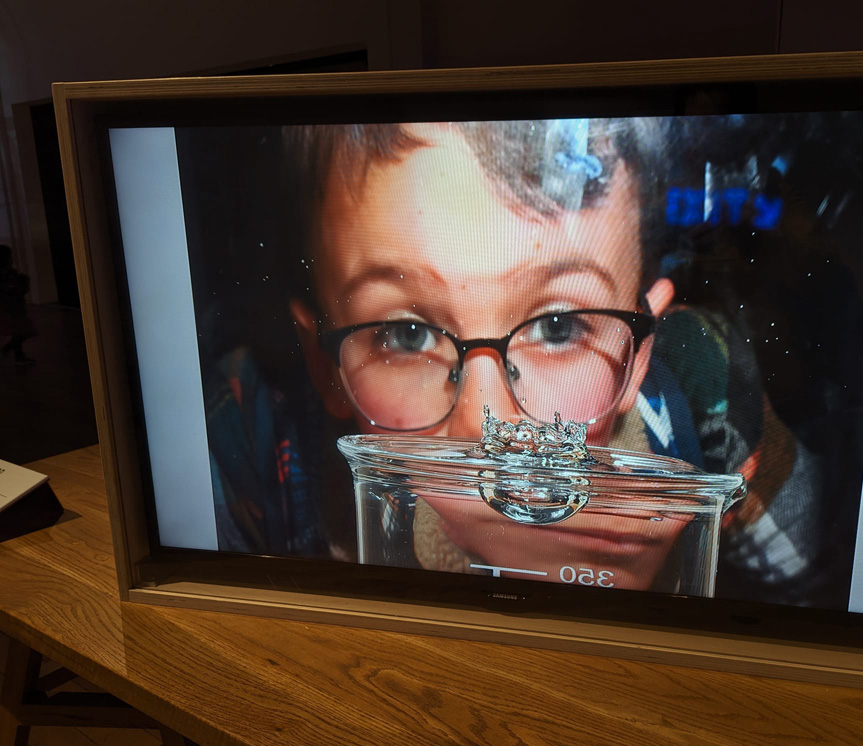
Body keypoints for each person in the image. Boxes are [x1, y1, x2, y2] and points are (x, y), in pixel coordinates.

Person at [204, 119, 826, 603]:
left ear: (638, 355)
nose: (485, 422)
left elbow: (827, 600)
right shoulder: (253, 433)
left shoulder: (708, 393)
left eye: (559, 328)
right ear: (324, 365)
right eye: (406, 334)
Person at [0, 244, 36, 366]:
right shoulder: (7, 275)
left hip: (14, 308)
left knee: (20, 332)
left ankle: (16, 354)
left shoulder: (10, 273)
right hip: (10, 309)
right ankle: (15, 354)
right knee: (21, 331)